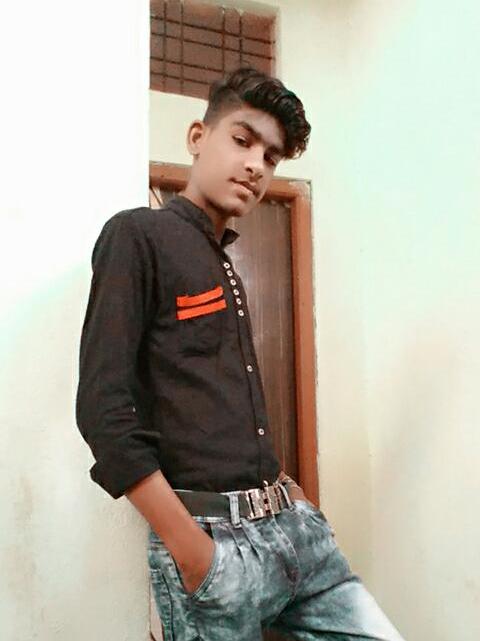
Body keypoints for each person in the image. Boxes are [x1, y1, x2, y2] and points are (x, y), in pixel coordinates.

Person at [75, 66, 404, 641]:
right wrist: (191, 550)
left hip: (294, 532)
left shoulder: (222, 259)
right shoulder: (138, 236)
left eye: (271, 158)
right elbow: (103, 410)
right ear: (197, 137)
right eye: (243, 140)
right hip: (214, 547)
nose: (256, 165)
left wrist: (293, 496)